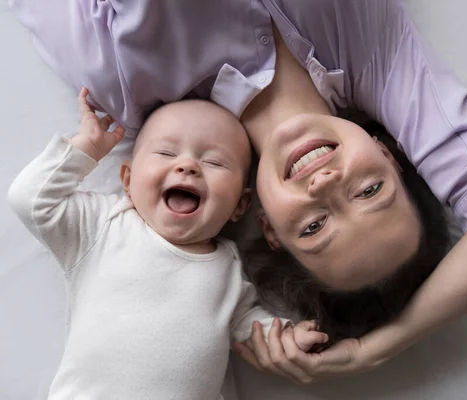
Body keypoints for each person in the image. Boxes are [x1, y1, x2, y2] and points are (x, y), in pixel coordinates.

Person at [9, 0, 467, 384]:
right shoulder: (381, 58)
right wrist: (382, 347)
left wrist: (369, 348)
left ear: (267, 224)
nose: (326, 185)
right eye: (370, 190)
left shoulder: (123, 81)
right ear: (388, 153)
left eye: (314, 226)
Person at [7, 89, 328, 399]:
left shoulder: (229, 268)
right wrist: (86, 149)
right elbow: (30, 200)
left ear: (240, 206)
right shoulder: (104, 225)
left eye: (214, 162)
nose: (187, 166)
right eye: (166, 153)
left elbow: (247, 325)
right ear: (128, 181)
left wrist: (288, 337)